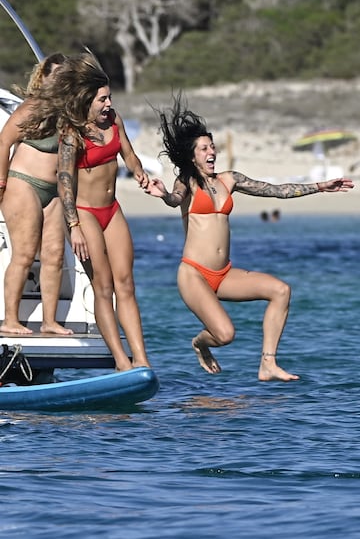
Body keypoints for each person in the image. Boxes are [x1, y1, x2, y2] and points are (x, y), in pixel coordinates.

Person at [145, 94, 354, 381]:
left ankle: (268, 363)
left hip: (224, 273)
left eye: (213, 146)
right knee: (225, 334)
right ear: (192, 155)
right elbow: (173, 199)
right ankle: (200, 343)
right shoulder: (187, 182)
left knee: (280, 291)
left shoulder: (230, 179)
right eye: (204, 147)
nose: (211, 151)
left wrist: (319, 186)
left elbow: (276, 190)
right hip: (194, 274)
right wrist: (163, 194)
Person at [45, 52, 151, 372]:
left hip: (111, 209)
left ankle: (141, 360)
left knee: (126, 284)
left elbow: (129, 155)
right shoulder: (71, 133)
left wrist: (142, 174)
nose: (108, 104)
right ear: (87, 100)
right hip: (84, 212)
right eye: (102, 99)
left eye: (109, 97)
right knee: (103, 285)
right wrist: (73, 225)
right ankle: (121, 362)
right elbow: (64, 182)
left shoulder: (114, 119)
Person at [0, 53, 73, 335]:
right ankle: (10, 320)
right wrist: (2, 181)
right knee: (25, 255)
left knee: (54, 255)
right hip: (24, 184)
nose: (58, 81)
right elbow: (4, 142)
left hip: (53, 191)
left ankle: (49, 321)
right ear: (43, 78)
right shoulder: (32, 107)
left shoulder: (69, 113)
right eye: (54, 75)